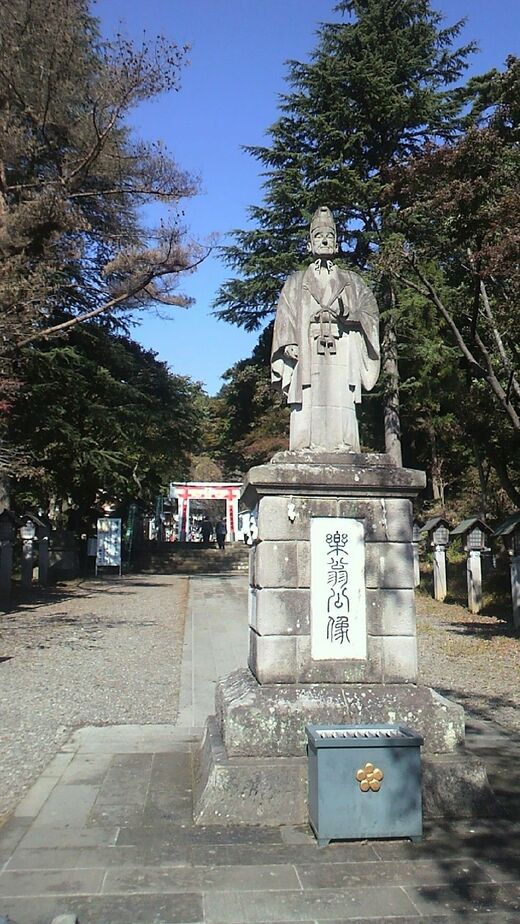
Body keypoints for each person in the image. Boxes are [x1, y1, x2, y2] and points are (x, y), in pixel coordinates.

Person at [271, 206, 380, 452]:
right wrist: (289, 343)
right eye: (318, 236)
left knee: (341, 396)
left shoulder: (353, 281)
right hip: (307, 345)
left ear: (337, 244)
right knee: (307, 394)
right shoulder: (296, 281)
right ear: (309, 245)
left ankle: (345, 445)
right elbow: (285, 314)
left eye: (329, 236)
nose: (324, 240)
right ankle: (304, 445)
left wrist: (351, 315)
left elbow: (370, 312)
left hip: (343, 343)